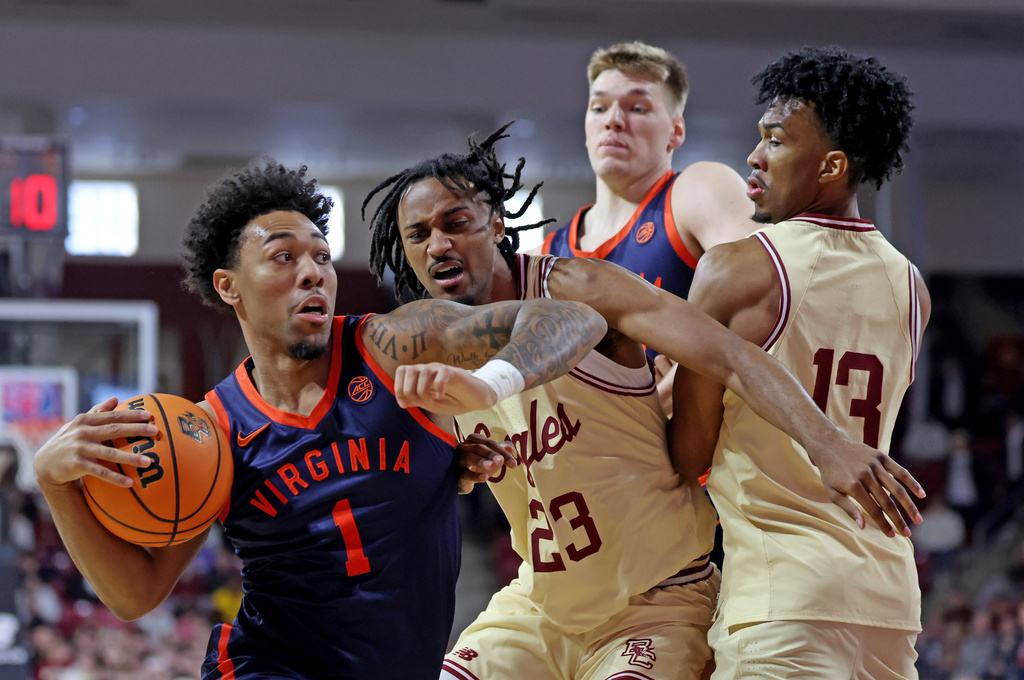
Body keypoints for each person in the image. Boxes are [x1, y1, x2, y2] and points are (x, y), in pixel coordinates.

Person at [362, 126, 924, 680]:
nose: (439, 244)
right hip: (541, 606)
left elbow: (731, 355)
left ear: (497, 225)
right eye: (420, 234)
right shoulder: (431, 343)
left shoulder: (582, 286)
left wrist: (827, 441)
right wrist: (457, 468)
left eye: (456, 223)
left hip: (656, 603)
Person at [32, 160, 609, 680]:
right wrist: (56, 485)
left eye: (322, 256)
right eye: (285, 256)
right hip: (268, 665)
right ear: (228, 285)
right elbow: (137, 594)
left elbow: (572, 319)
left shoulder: (392, 346)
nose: (313, 273)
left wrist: (486, 385)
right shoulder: (212, 433)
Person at [670, 46, 931, 679]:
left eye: (776, 142)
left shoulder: (736, 269)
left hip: (783, 599)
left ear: (832, 165)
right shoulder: (911, 286)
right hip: (889, 603)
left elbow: (690, 453)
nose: (754, 158)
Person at [539, 41, 754, 404]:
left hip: (689, 452)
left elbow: (769, 288)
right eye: (599, 107)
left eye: (637, 107)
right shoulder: (547, 253)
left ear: (676, 131)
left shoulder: (697, 189)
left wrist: (684, 382)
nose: (613, 120)